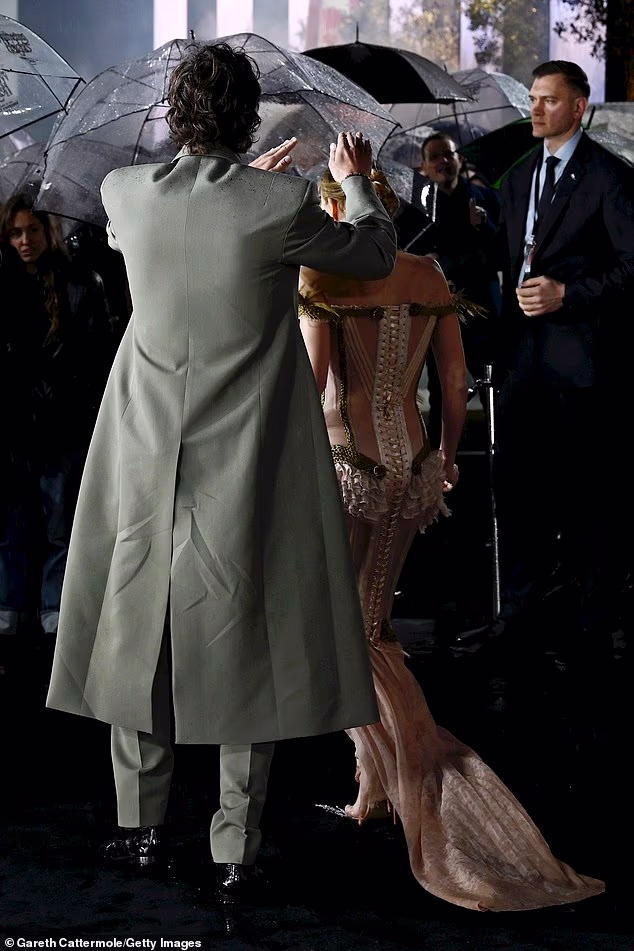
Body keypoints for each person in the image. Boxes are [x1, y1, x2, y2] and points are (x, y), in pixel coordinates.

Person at [45, 42, 397, 907]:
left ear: (173, 115)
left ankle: (139, 829)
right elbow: (373, 255)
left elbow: (153, 227)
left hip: (141, 444)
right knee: (250, 634)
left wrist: (238, 181)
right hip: (248, 453)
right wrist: (351, 182)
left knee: (138, 626)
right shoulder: (277, 203)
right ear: (248, 119)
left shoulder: (123, 191)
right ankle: (234, 846)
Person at [298, 165, 604, 911]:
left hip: (344, 463)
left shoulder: (323, 276)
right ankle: (377, 785)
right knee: (372, 626)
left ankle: (418, 785)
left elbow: (313, 382)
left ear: (338, 210)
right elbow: (455, 379)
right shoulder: (428, 271)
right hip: (411, 466)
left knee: (348, 632)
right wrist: (441, 457)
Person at [491, 60, 634, 664]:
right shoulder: (517, 178)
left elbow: (631, 270)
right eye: (532, 99)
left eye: (549, 100)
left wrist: (567, 294)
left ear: (579, 108)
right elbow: (508, 258)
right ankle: (519, 612)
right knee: (520, 487)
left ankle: (591, 622)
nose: (536, 109)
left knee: (588, 493)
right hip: (523, 359)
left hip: (583, 363)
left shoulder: (610, 178)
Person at [0, 194, 111, 667]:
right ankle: (12, 617)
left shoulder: (75, 283)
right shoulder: (5, 286)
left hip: (59, 427)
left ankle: (53, 617)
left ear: (47, 231)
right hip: (15, 427)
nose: (25, 241)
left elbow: (93, 351)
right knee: (14, 528)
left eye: (32, 231)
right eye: (16, 233)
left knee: (58, 525)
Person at [415, 132, 502, 449]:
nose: (442, 161)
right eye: (434, 156)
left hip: (483, 314)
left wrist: (484, 226)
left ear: (458, 159)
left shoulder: (486, 199)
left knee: (496, 390)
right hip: (439, 315)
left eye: (448, 154)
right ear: (423, 167)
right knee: (441, 392)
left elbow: (505, 255)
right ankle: (441, 469)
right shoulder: (420, 210)